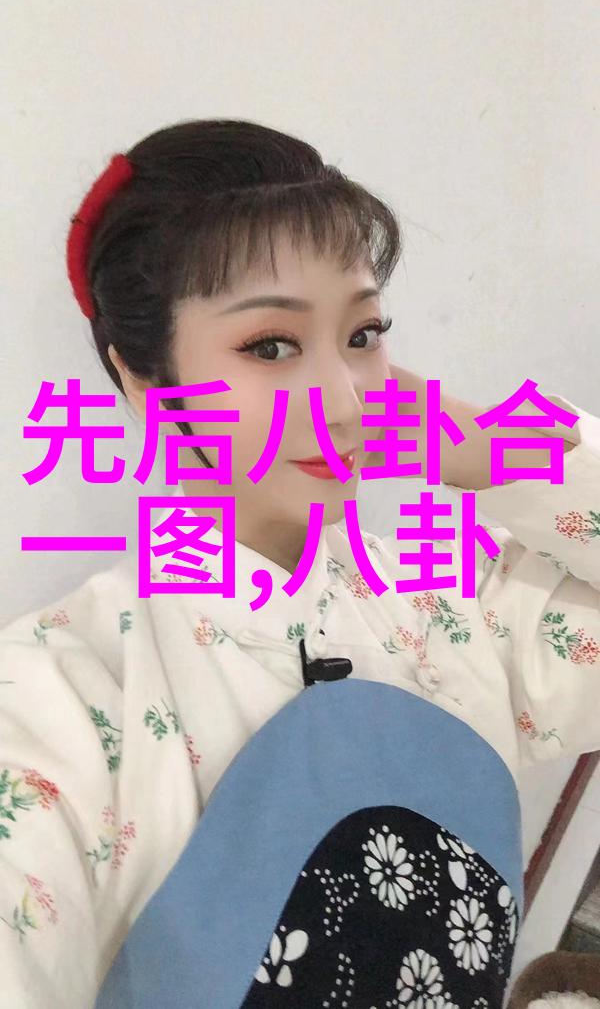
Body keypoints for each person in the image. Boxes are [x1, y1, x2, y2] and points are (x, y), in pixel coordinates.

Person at [1, 118, 598, 1009]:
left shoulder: (454, 601)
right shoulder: (64, 696)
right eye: (271, 345)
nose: (344, 400)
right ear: (145, 379)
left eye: (363, 334)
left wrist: (490, 448)